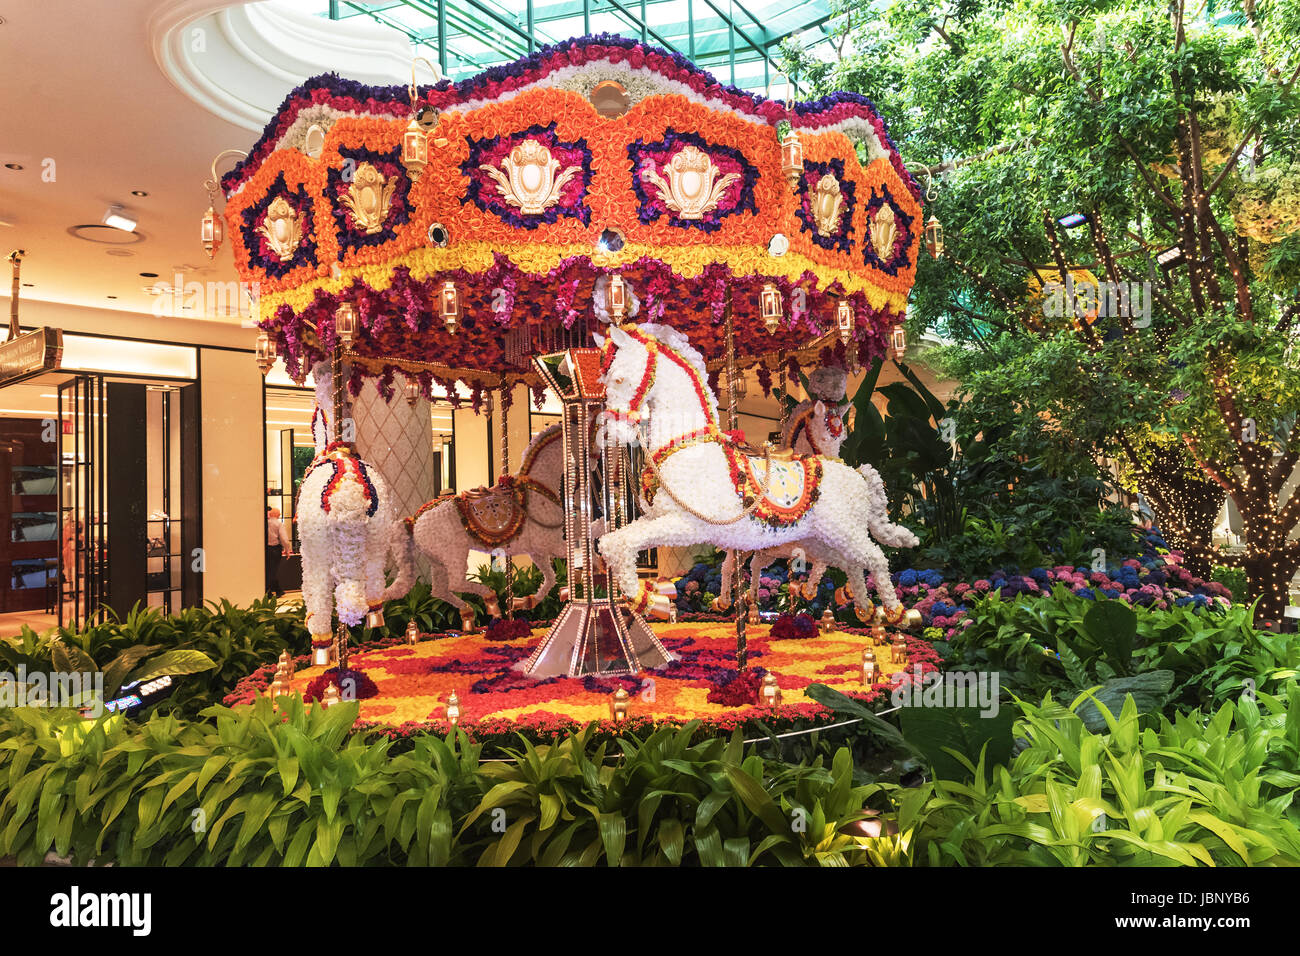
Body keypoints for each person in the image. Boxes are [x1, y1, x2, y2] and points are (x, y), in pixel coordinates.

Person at [266, 507, 292, 596]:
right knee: (273, 570)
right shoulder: (278, 524)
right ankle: (268, 592)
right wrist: (287, 549)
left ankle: (277, 590)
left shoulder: (265, 523)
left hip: (265, 549)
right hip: (275, 549)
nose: (280, 515)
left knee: (268, 570)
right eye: (279, 513)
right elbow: (284, 539)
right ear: (276, 515)